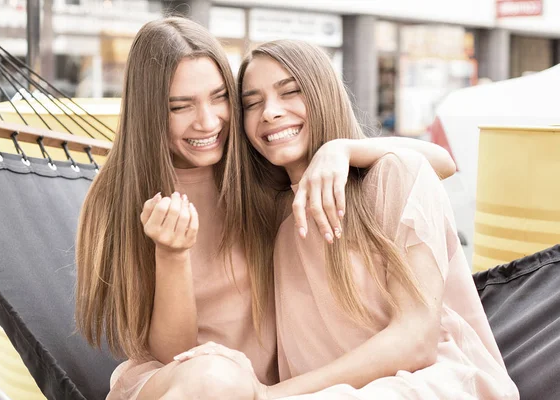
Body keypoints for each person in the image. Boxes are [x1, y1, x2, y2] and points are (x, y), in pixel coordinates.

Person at [74, 18, 456, 400]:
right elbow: (174, 357)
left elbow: (439, 164)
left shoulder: (256, 171)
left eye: (220, 97)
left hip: (279, 387)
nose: (208, 122)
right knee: (215, 380)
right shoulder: (118, 201)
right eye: (180, 106)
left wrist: (342, 148)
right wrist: (172, 255)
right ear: (150, 111)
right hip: (188, 382)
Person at [176, 40, 519, 399]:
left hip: (423, 384)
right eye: (251, 103)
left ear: (323, 94)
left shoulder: (392, 177)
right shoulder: (272, 215)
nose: (270, 112)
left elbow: (416, 342)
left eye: (290, 91)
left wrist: (343, 148)